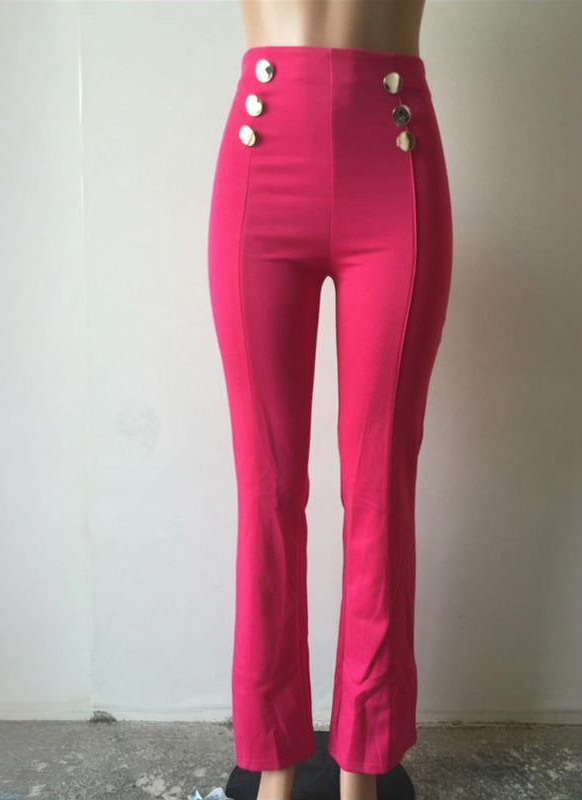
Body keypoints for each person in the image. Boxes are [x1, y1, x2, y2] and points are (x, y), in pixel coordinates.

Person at [207, 2, 453, 798]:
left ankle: (364, 769)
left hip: (394, 154)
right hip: (263, 149)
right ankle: (272, 767)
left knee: (379, 486)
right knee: (268, 487)